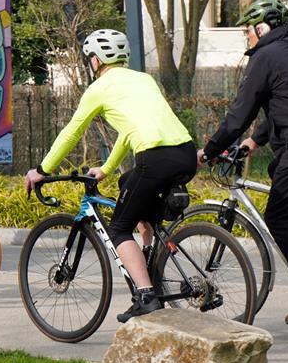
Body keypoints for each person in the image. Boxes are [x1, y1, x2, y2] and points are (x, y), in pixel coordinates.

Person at [24, 29, 195, 322]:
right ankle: (150, 260)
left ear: (94, 59)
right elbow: (131, 131)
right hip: (186, 153)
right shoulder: (144, 79)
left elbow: (72, 132)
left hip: (154, 158)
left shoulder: (100, 88)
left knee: (118, 228)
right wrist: (105, 169)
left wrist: (42, 170)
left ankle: (145, 295)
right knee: (127, 183)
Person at [198, 0, 288, 324]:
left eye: (248, 30)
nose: (247, 36)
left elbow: (240, 113)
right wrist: (255, 140)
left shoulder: (265, 56)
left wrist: (210, 150)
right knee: (276, 173)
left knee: (279, 216)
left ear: (261, 27)